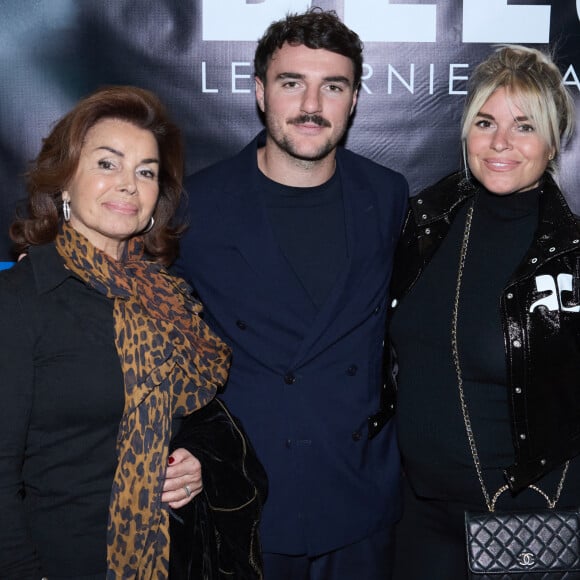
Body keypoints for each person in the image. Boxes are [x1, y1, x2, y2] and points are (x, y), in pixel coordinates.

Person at [174, 8, 409, 580]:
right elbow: (158, 341)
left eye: (333, 86)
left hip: (356, 490)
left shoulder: (388, 195)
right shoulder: (195, 205)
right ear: (260, 92)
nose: (312, 105)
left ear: (353, 100)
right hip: (245, 491)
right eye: (291, 83)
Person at [0, 85, 250, 579]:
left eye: (146, 172)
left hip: (176, 559)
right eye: (107, 164)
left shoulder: (170, 296)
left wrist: (196, 459)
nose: (129, 185)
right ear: (64, 181)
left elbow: (198, 413)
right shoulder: (21, 300)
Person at [388, 45, 580, 579]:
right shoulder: (424, 226)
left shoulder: (574, 255)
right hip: (419, 517)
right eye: (485, 122)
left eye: (524, 126)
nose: (500, 143)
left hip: (529, 522)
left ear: (553, 140)